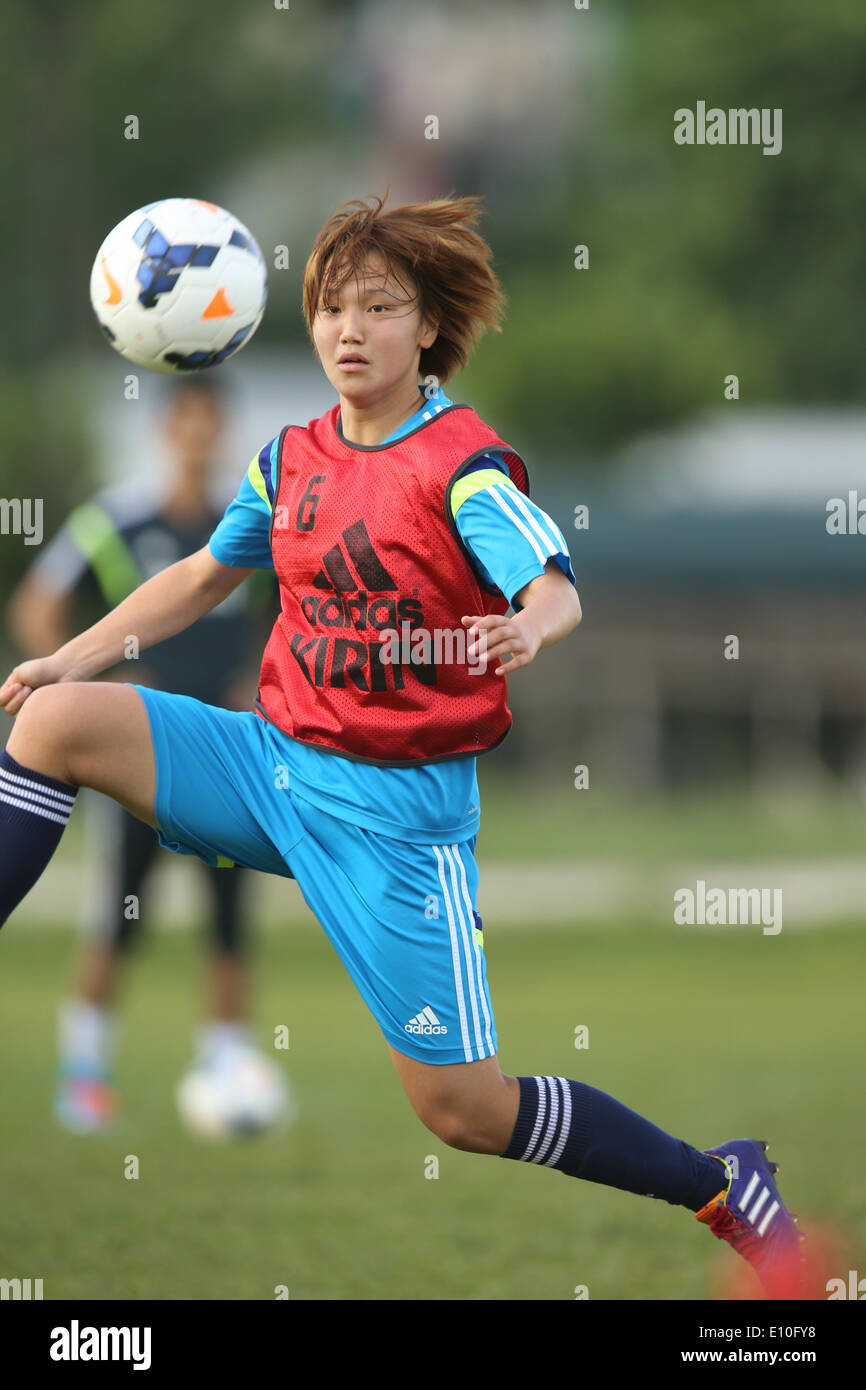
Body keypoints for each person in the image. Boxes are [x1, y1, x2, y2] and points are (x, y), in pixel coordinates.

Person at [0, 192, 804, 1295]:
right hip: (267, 764)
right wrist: (70, 657)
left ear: (426, 327)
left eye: (379, 306)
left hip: (395, 822)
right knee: (53, 722)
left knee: (462, 1111)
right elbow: (198, 579)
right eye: (332, 305)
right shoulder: (290, 458)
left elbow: (550, 583)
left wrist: (528, 621)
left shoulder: (461, 463)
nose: (348, 328)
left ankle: (719, 1182)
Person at [4, 378, 278, 1132]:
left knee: (228, 913)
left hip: (226, 753)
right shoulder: (114, 520)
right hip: (137, 753)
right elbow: (35, 604)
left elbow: (278, 624)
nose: (199, 434)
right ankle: (85, 1074)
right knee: (120, 911)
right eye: (186, 420)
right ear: (167, 429)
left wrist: (261, 689)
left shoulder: (246, 522)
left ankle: (228, 1064)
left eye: (211, 422)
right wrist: (85, 682)